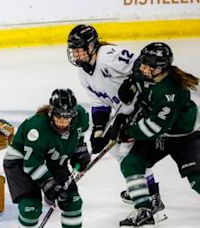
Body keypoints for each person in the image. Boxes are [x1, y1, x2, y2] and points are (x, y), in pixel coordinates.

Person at [66, 24, 166, 217]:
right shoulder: (83, 73)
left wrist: (133, 83)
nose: (76, 55)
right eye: (74, 51)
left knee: (129, 154)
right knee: (114, 148)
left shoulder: (109, 56)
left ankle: (151, 195)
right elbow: (98, 101)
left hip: (144, 105)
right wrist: (98, 130)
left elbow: (143, 62)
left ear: (91, 46)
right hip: (125, 111)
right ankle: (140, 186)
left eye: (79, 50)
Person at [113, 42, 200, 227]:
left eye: (148, 66)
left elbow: (154, 127)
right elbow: (136, 78)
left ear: (161, 69)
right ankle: (144, 209)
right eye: (143, 63)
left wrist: (128, 131)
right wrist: (130, 86)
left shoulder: (171, 91)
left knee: (197, 180)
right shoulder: (142, 69)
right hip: (162, 134)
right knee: (131, 163)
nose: (142, 67)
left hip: (184, 135)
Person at [3, 88, 91, 228]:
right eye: (58, 117)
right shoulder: (37, 128)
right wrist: (50, 186)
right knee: (31, 208)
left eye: (67, 117)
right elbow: (31, 164)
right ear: (51, 113)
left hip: (54, 159)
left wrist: (80, 152)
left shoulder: (81, 116)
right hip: (21, 161)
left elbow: (79, 137)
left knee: (72, 201)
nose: (62, 122)